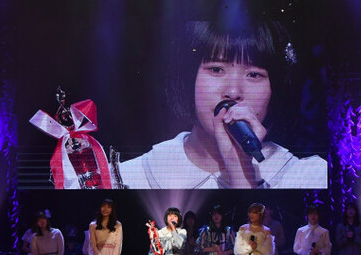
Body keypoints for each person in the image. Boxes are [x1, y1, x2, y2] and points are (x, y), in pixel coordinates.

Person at [118, 20, 327, 189]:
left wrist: (241, 169)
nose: (233, 92)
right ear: (189, 79)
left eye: (254, 75)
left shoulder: (309, 177)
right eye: (216, 70)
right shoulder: (129, 177)